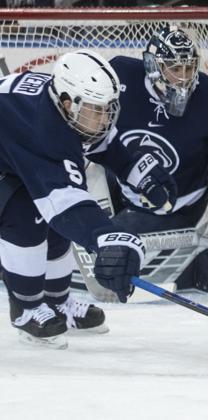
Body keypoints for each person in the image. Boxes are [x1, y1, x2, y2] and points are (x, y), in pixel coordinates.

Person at [0, 50, 176, 348]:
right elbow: (65, 204)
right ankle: (26, 309)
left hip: (10, 151)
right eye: (98, 110)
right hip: (10, 156)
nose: (106, 117)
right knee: (26, 215)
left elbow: (102, 143)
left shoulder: (66, 105)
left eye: (109, 108)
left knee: (54, 225)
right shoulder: (45, 132)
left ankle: (57, 303)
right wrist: (107, 238)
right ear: (69, 104)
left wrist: (136, 171)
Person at [104, 26, 208, 294]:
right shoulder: (119, 75)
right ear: (153, 66)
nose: (183, 78)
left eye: (188, 67)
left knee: (108, 249)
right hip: (121, 184)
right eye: (174, 68)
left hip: (179, 202)